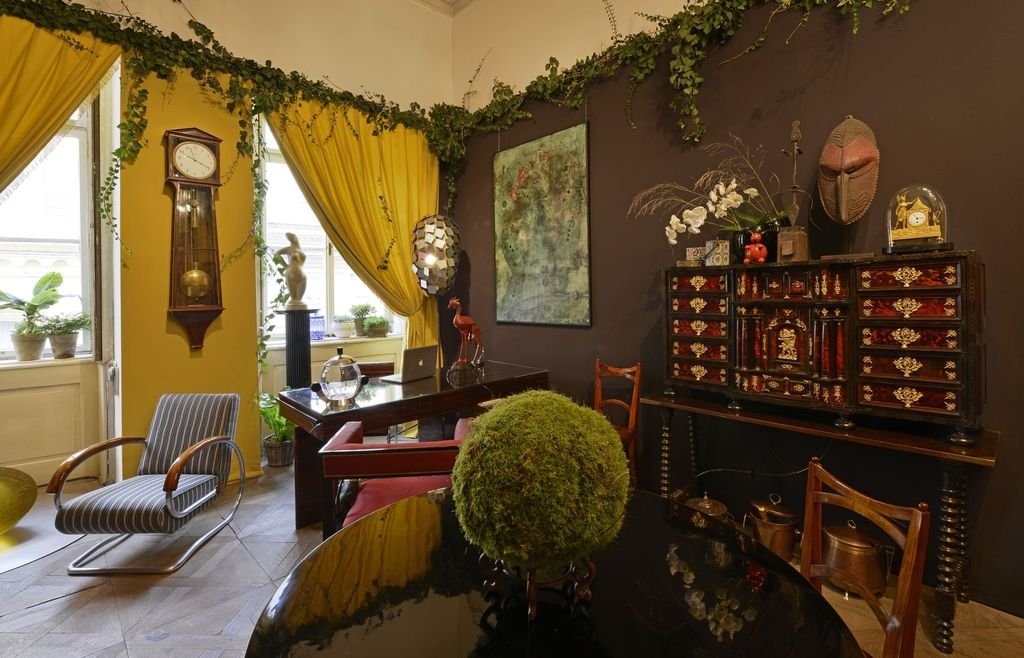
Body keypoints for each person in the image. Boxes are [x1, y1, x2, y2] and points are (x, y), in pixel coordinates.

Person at [274, 232, 307, 309]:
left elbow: (302, 261)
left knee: (298, 301)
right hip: (290, 276)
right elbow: (276, 254)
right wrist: (285, 265)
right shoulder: (289, 249)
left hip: (302, 277)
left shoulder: (300, 252)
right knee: (294, 300)